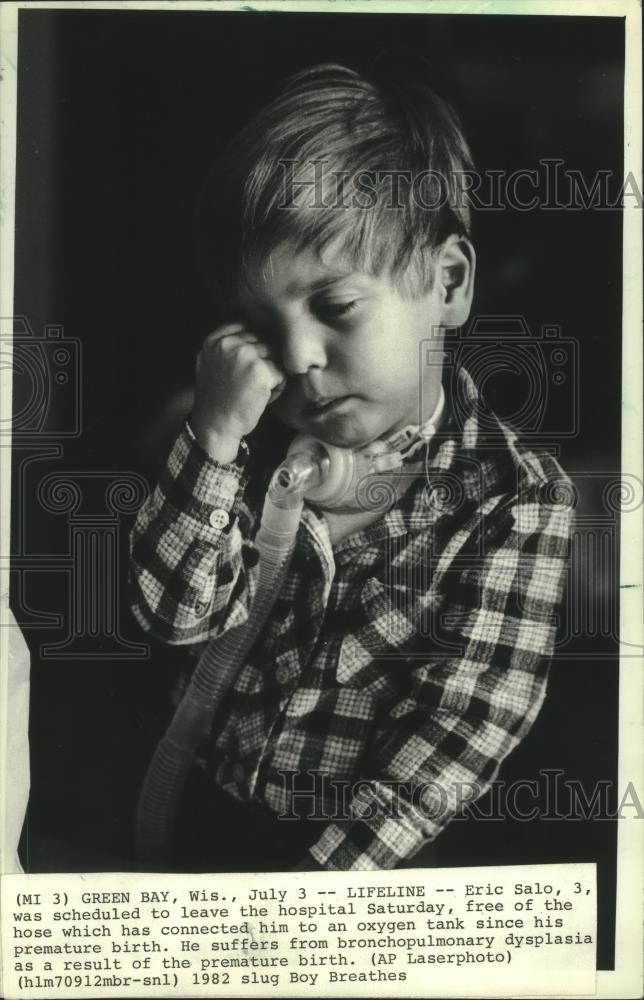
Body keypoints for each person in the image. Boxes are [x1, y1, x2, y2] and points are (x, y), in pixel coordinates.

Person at [129, 64, 574, 872]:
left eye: (335, 308)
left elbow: (457, 736)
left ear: (449, 282)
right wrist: (213, 437)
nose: (298, 357)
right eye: (262, 325)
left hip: (366, 869)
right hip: (204, 822)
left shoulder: (515, 503)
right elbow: (173, 618)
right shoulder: (248, 454)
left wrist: (316, 903)